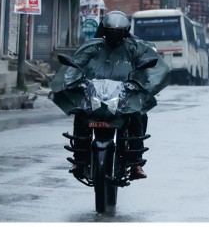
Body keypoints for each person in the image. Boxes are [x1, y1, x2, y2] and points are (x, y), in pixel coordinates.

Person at [57, 11, 170, 180]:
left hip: (125, 94)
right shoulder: (93, 47)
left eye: (118, 31)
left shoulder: (135, 48)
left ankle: (135, 163)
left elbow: (152, 68)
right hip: (94, 92)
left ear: (125, 32)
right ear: (104, 29)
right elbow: (75, 65)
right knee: (81, 114)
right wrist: (72, 81)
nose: (114, 34)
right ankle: (79, 161)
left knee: (138, 115)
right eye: (111, 30)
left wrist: (143, 85)